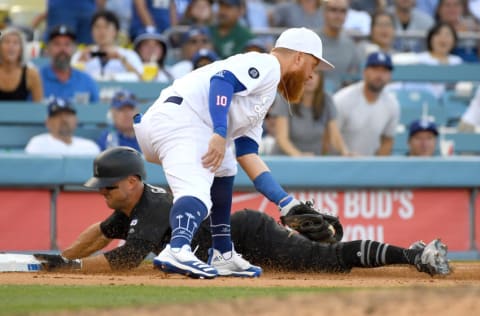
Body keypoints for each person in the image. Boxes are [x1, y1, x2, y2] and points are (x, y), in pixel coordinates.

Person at [34, 146, 451, 278]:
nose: (102, 194)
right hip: (227, 246)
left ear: (131, 182)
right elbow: (102, 232)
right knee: (319, 263)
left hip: (247, 236)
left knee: (325, 262)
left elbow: (125, 259)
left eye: (107, 187)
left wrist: (71, 270)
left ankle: (414, 255)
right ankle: (410, 254)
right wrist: (66, 256)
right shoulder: (133, 203)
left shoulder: (155, 205)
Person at [132, 27, 336, 279]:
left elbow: (247, 154)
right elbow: (222, 80)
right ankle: (178, 248)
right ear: (298, 58)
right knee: (197, 191)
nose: (310, 76)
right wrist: (219, 132)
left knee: (226, 164)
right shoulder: (266, 64)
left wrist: (286, 203)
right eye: (312, 65)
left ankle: (222, 253)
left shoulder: (264, 93)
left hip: (180, 123)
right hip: (179, 120)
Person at [269, 68, 350, 156]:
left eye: (316, 73)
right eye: (305, 72)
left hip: (312, 162)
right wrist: (300, 156)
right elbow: (281, 138)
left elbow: (335, 136)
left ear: (321, 78)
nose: (310, 77)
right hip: (285, 161)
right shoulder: (286, 98)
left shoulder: (327, 100)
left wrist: (346, 152)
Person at [333, 52, 400, 156]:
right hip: (339, 162)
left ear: (390, 76)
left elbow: (387, 139)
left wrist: (376, 165)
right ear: (365, 72)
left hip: (370, 166)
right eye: (375, 69)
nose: (379, 75)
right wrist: (346, 153)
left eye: (384, 71)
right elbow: (332, 133)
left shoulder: (392, 104)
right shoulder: (342, 99)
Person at [71, 10, 144, 81]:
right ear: (91, 31)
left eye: (106, 27)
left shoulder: (129, 55)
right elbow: (67, 79)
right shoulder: (82, 54)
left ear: (116, 31)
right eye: (97, 27)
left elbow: (143, 80)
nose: (101, 31)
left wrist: (123, 60)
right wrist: (79, 61)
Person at [40, 25, 100, 104]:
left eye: (67, 44)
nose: (62, 49)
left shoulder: (86, 81)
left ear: (74, 49)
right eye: (57, 44)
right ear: (48, 49)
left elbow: (97, 112)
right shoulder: (37, 79)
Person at [25, 97, 100, 155]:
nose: (64, 119)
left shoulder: (90, 147)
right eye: (58, 115)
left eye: (68, 115)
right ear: (47, 122)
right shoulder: (38, 144)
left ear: (76, 120)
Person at [319, 0, 362, 92]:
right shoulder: (312, 41)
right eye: (333, 10)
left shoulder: (351, 46)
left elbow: (354, 80)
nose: (338, 15)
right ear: (324, 12)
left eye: (343, 11)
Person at [0, 27, 43, 102]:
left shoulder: (31, 74)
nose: (11, 46)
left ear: (21, 50)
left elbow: (39, 107)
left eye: (15, 43)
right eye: (7, 42)